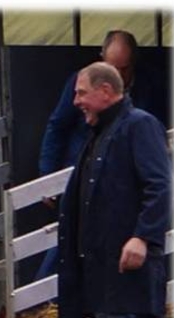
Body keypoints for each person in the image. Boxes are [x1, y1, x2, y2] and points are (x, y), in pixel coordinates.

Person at [57, 62, 171, 318]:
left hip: (125, 269)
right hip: (105, 270)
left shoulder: (138, 126)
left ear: (106, 91)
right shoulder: (101, 133)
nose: (77, 102)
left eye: (81, 92)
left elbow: (160, 186)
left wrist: (142, 237)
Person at [36, 30, 166, 282]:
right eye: (111, 66)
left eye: (123, 68)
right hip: (82, 173)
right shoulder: (82, 83)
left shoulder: (148, 93)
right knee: (71, 233)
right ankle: (44, 297)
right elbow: (57, 125)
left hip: (125, 179)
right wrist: (48, 175)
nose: (117, 74)